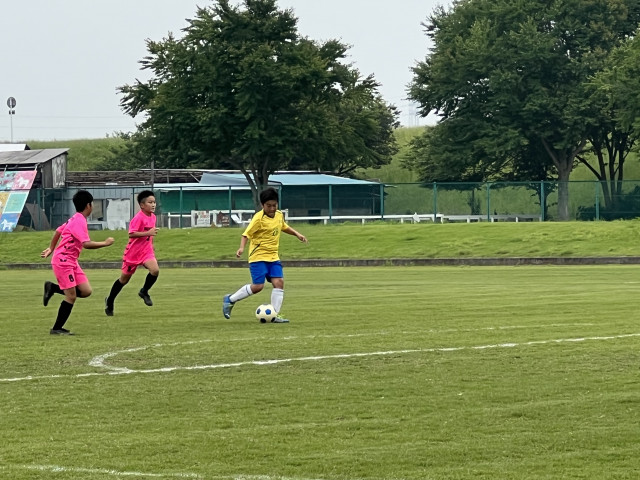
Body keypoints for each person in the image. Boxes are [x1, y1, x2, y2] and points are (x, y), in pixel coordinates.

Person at [223, 187, 307, 323]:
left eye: (274, 205)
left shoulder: (279, 215)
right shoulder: (258, 219)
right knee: (258, 287)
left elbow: (283, 226)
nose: (272, 208)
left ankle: (274, 315)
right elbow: (246, 234)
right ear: (262, 205)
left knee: (279, 283)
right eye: (269, 206)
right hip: (258, 257)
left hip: (273, 257)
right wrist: (241, 248)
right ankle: (230, 299)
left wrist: (297, 234)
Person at [41, 190, 114, 335]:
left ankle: (53, 288)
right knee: (71, 296)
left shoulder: (75, 218)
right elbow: (86, 244)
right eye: (92, 203)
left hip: (72, 261)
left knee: (86, 291)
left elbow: (58, 231)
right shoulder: (79, 221)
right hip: (63, 261)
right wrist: (105, 243)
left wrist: (51, 248)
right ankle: (56, 328)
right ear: (88, 205)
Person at [105, 190, 159, 316]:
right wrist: (148, 233)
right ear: (142, 205)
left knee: (155, 270)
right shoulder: (138, 218)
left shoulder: (153, 217)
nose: (153, 205)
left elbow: (150, 234)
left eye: (154, 202)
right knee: (123, 280)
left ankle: (144, 291)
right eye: (150, 202)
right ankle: (110, 300)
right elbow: (131, 234)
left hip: (146, 251)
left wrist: (151, 244)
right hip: (133, 253)